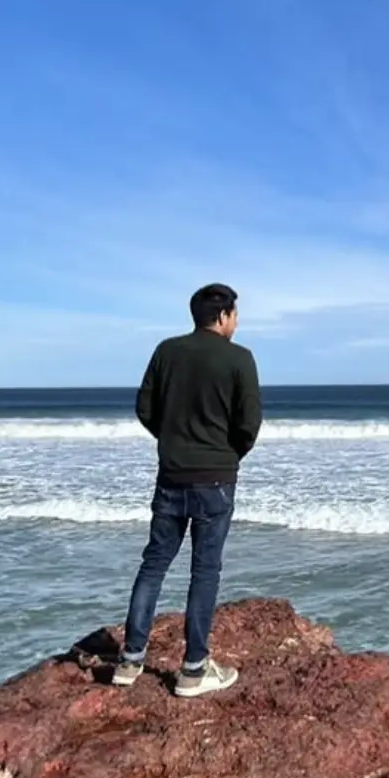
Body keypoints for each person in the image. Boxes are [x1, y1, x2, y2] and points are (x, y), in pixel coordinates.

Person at [114, 282, 262, 696]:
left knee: (154, 564)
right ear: (223, 316)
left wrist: (172, 439)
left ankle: (129, 661)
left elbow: (145, 408)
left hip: (172, 474)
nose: (236, 321)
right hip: (215, 478)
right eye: (235, 314)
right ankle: (193, 670)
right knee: (205, 571)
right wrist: (227, 453)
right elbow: (249, 422)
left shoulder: (167, 351)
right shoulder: (239, 358)